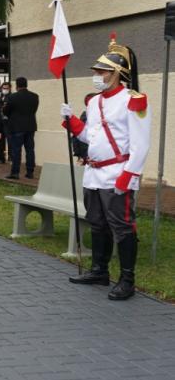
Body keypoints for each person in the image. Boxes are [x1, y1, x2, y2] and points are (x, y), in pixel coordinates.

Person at [63, 35, 150, 300]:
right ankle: (100, 270)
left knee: (122, 226)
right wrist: (73, 125)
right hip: (94, 172)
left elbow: (141, 144)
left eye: (102, 71)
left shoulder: (133, 100)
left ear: (117, 74)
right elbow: (92, 136)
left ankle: (127, 280)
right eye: (97, 71)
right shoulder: (94, 101)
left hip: (117, 173)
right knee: (97, 223)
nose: (97, 75)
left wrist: (129, 175)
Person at [4, 76, 40, 179]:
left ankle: (15, 173)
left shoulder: (13, 97)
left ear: (17, 85)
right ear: (26, 84)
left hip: (16, 127)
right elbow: (34, 110)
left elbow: (6, 111)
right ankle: (30, 172)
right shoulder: (35, 96)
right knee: (30, 150)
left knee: (16, 150)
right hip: (30, 126)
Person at [0, 81, 12, 163]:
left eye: (7, 88)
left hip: (8, 122)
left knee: (10, 141)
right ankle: (0, 158)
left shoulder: (12, 97)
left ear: (10, 88)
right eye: (4, 88)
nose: (5, 90)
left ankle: (11, 158)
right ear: (1, 88)